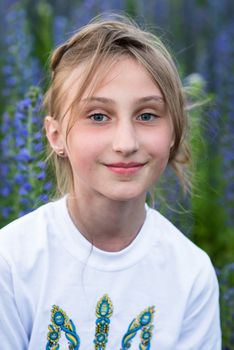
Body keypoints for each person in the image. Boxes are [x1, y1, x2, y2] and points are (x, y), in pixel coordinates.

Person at [0, 13, 221, 350]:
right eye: (98, 116)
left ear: (174, 132)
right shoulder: (12, 260)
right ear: (56, 135)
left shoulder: (191, 273)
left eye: (147, 115)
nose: (126, 143)